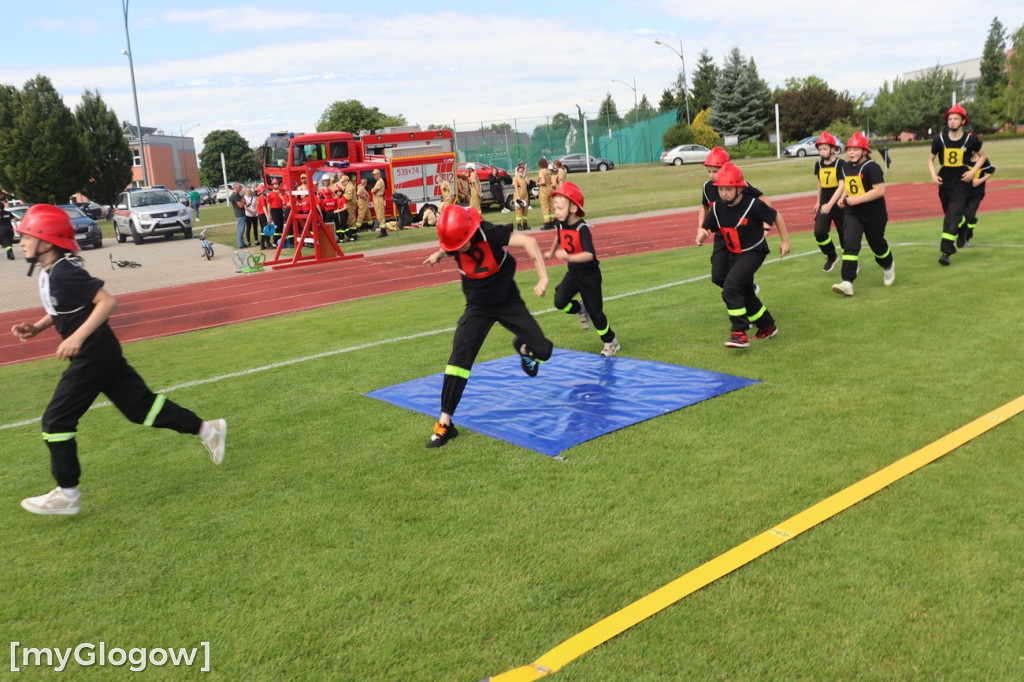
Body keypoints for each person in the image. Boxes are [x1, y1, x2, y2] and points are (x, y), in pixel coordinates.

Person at [11, 205, 226, 515]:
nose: (21, 241)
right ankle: (209, 430)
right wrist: (38, 327)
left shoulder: (65, 271)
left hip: (93, 356)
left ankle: (67, 494)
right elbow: (60, 306)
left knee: (56, 420)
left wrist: (76, 337)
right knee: (142, 409)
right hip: (102, 353)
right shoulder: (50, 272)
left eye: (26, 235)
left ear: (46, 240)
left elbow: (106, 302)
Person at [421, 205, 553, 448]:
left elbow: (529, 242)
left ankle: (523, 348)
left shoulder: (488, 233)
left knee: (544, 351)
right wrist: (439, 254)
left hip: (507, 302)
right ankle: (445, 424)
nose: (455, 250)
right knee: (458, 362)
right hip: (477, 307)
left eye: (457, 245)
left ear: (469, 235)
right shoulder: (453, 242)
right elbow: (449, 243)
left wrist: (542, 277)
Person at [698, 162, 790, 348]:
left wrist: (785, 241)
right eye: (721, 189)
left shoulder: (753, 205)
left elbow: (775, 215)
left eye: (728, 189)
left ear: (739, 188)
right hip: (734, 253)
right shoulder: (718, 207)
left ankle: (739, 332)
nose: (723, 193)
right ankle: (767, 325)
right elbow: (707, 226)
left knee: (731, 287)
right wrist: (702, 233)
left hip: (753, 251)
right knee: (729, 282)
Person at [544, 181, 620, 356]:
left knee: (596, 314)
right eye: (555, 208)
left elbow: (589, 254)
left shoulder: (582, 228)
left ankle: (611, 342)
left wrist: (569, 256)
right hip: (574, 273)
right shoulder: (560, 222)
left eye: (560, 208)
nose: (556, 212)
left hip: (589, 276)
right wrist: (551, 251)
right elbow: (558, 236)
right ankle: (580, 308)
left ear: (572, 208)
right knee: (559, 301)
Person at [695, 147, 771, 293]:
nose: (711, 175)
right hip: (721, 237)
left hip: (742, 237)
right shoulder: (707, 188)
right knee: (717, 276)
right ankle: (749, 291)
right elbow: (704, 207)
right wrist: (702, 228)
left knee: (740, 274)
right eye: (708, 171)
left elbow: (764, 201)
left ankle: (748, 300)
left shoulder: (739, 185)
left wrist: (765, 226)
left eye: (715, 171)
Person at [831, 132, 895, 296]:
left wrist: (856, 200)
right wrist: (843, 198)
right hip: (853, 213)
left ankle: (888, 264)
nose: (851, 153)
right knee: (850, 244)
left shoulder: (872, 167)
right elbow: (848, 185)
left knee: (877, 245)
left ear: (865, 151)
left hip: (875, 214)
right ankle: (847, 282)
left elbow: (879, 191)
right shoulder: (845, 167)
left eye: (856, 149)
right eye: (849, 149)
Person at [927, 103, 985, 266]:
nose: (952, 121)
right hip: (945, 180)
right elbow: (930, 159)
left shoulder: (971, 140)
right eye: (950, 119)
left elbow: (982, 157)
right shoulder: (939, 140)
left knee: (952, 215)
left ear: (963, 121)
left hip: (962, 181)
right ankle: (963, 230)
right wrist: (933, 176)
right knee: (951, 215)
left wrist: (972, 172)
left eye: (956, 118)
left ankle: (946, 252)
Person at [811, 132, 845, 272]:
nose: (822, 151)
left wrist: (831, 204)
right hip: (824, 203)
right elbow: (820, 182)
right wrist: (818, 201)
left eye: (825, 148)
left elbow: (842, 185)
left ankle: (851, 265)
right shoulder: (818, 164)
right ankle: (831, 255)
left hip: (839, 204)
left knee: (845, 236)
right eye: (820, 149)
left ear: (833, 149)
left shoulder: (840, 163)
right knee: (819, 232)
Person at [961, 153, 995, 247]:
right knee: (961, 217)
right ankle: (966, 230)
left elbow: (991, 171)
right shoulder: (963, 158)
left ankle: (966, 237)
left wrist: (980, 181)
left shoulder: (982, 159)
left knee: (969, 215)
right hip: (962, 192)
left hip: (976, 193)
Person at [537, 158, 555, 230]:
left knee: (545, 206)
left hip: (544, 189)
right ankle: (552, 222)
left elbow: (543, 182)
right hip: (550, 188)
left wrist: (538, 183)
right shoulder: (549, 171)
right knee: (551, 206)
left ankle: (547, 223)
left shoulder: (541, 171)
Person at [266, 181, 285, 246]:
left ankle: (280, 240)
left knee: (281, 225)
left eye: (277, 184)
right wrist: (269, 214)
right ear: (272, 185)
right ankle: (275, 241)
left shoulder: (281, 193)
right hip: (274, 210)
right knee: (276, 225)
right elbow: (268, 204)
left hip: (280, 209)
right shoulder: (270, 194)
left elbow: (284, 200)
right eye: (275, 184)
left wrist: (279, 194)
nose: (276, 185)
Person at [512, 163, 530, 230]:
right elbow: (516, 187)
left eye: (522, 171)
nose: (521, 172)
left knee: (525, 210)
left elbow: (528, 182)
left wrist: (524, 176)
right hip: (518, 195)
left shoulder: (524, 177)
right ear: (517, 171)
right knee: (519, 211)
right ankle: (519, 225)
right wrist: (518, 196)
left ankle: (525, 224)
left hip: (525, 195)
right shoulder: (515, 178)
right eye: (520, 171)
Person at [371, 169, 388, 238]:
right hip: (377, 199)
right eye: (373, 174)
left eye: (375, 174)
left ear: (379, 174)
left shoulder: (380, 181)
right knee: (379, 215)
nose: (374, 176)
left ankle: (383, 232)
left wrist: (372, 190)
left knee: (380, 215)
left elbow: (373, 191)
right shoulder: (378, 181)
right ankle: (383, 231)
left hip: (378, 199)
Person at [229, 182, 246, 248]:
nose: (241, 188)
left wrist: (242, 196)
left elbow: (245, 202)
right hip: (239, 214)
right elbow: (241, 205)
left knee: (242, 229)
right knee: (240, 229)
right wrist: (242, 202)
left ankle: (242, 243)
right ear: (236, 187)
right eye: (239, 187)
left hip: (242, 214)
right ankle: (240, 244)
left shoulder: (238, 195)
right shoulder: (234, 196)